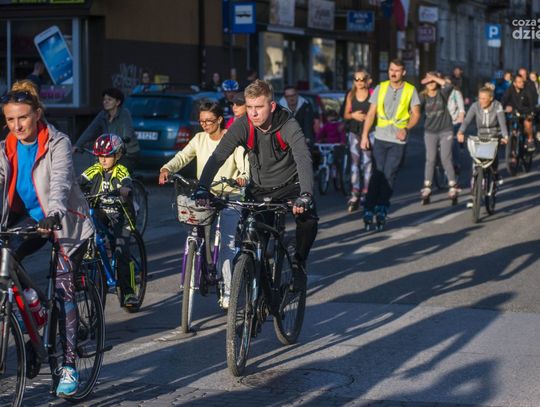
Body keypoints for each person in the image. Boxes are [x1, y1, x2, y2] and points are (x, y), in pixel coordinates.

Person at [0, 80, 94, 397]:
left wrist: (53, 214)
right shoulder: (5, 147)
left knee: (65, 290)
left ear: (37, 114)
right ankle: (34, 305)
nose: (17, 126)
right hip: (28, 218)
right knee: (5, 262)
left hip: (64, 221)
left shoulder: (57, 142)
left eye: (23, 118)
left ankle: (68, 366)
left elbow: (61, 183)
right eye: (10, 119)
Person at [194, 79, 318, 292]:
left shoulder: (288, 124)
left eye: (259, 107)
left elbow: (303, 157)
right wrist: (202, 187)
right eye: (249, 107)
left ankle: (298, 263)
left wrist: (305, 194)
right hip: (259, 188)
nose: (253, 113)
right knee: (253, 240)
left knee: (308, 220)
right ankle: (258, 288)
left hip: (291, 186)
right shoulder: (243, 125)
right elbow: (218, 156)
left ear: (272, 106)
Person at [158, 101, 249, 309]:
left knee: (226, 244)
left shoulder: (232, 138)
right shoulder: (199, 138)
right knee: (198, 230)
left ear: (220, 120)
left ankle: (228, 290)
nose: (205, 125)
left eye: (209, 121)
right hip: (205, 194)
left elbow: (244, 166)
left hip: (230, 194)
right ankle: (200, 262)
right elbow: (183, 157)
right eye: (201, 121)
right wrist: (167, 168)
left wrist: (243, 177)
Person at [360, 59, 421, 229]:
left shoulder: (410, 90)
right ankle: (368, 208)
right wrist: (364, 136)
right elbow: (371, 113)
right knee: (377, 174)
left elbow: (416, 114)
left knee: (389, 174)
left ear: (403, 72)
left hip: (398, 140)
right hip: (380, 137)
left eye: (397, 70)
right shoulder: (381, 88)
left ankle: (382, 207)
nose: (393, 73)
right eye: (391, 70)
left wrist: (406, 129)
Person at [79, 133, 137, 308]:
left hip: (121, 215)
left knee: (121, 251)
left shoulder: (121, 170)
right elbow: (79, 181)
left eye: (108, 156)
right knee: (86, 238)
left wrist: (125, 189)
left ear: (118, 155)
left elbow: (127, 182)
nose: (103, 160)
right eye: (100, 156)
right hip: (101, 212)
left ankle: (128, 292)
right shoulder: (95, 169)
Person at [457, 83, 508, 206]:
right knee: (475, 165)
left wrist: (505, 136)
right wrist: (460, 132)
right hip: (481, 136)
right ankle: (473, 195)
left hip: (494, 135)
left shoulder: (497, 106)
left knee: (493, 157)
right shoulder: (475, 106)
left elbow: (502, 122)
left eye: (484, 98)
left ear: (491, 98)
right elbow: (467, 121)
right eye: (480, 98)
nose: (481, 101)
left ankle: (495, 174)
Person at [74, 88, 140, 173]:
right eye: (104, 99)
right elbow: (90, 131)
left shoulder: (124, 113)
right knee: (98, 171)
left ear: (117, 102)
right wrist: (77, 145)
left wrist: (124, 138)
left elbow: (127, 131)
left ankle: (126, 181)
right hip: (110, 152)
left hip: (127, 153)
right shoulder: (103, 115)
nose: (105, 102)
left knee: (118, 173)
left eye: (109, 99)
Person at [419, 72, 458, 203]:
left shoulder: (442, 93)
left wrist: (434, 77)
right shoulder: (422, 96)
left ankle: (452, 185)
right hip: (430, 132)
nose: (431, 83)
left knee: (445, 158)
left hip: (445, 130)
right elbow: (414, 109)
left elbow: (449, 86)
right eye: (429, 81)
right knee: (430, 159)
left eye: (433, 81)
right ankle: (427, 186)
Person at [343, 68, 373, 212]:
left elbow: (377, 112)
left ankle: (366, 192)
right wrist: (353, 115)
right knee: (355, 164)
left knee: (367, 162)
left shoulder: (372, 94)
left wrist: (369, 117)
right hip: (354, 132)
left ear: (367, 80)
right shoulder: (351, 94)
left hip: (370, 132)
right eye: (357, 79)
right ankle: (355, 192)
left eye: (362, 79)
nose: (360, 82)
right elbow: (345, 115)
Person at [501, 74, 536, 152]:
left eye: (522, 81)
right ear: (514, 83)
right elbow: (504, 100)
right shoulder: (510, 90)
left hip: (525, 112)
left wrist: (531, 112)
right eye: (519, 82)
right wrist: (504, 107)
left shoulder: (527, 89)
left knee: (528, 122)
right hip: (514, 112)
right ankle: (512, 148)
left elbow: (531, 102)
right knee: (508, 123)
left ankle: (530, 140)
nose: (522, 83)